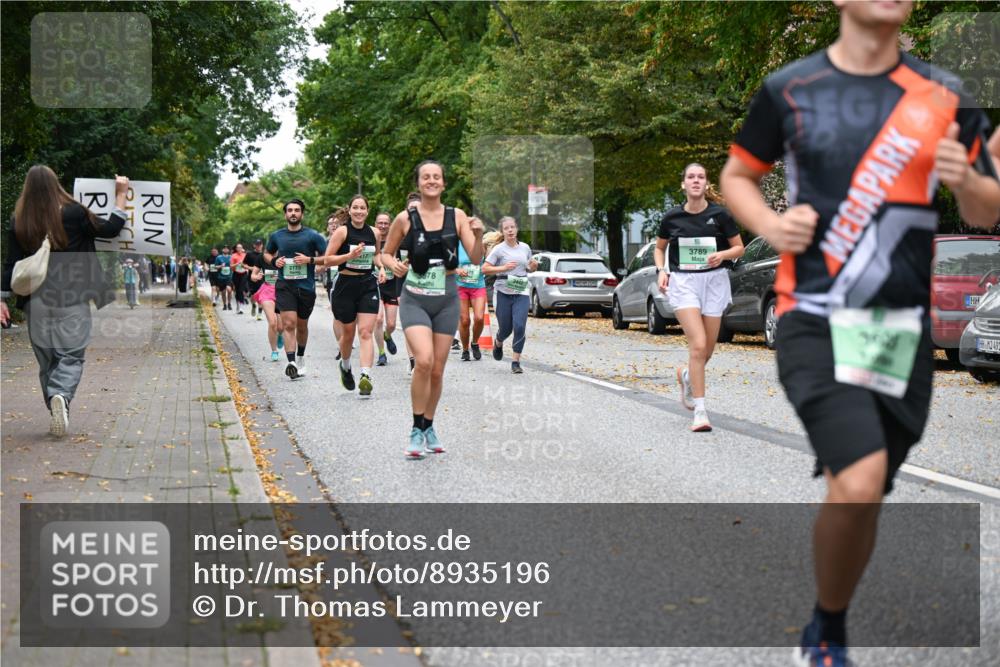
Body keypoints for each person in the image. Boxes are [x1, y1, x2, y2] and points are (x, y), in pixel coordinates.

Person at [718, 2, 1000, 665]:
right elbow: (737, 175)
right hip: (814, 315)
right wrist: (771, 224)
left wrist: (967, 180)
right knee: (861, 476)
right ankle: (827, 635)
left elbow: (988, 207)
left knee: (865, 490)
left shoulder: (944, 93)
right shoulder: (791, 88)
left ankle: (827, 615)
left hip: (901, 329)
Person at [0, 167, 130, 437]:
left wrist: (2, 299)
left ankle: (56, 403)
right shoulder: (74, 213)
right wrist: (121, 194)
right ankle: (60, 395)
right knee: (71, 355)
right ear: (55, 184)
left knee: (47, 359)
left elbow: (11, 264)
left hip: (36, 300)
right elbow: (111, 229)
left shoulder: (19, 220)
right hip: (73, 296)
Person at [380, 160, 484, 458]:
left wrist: (478, 235)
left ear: (443, 183)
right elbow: (385, 254)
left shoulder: (457, 216)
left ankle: (428, 425)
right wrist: (393, 264)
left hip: (447, 298)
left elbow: (476, 258)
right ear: (419, 182)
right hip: (415, 298)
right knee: (423, 361)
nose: (431, 180)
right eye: (426, 177)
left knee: (437, 370)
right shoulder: (405, 218)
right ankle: (415, 429)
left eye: (436, 176)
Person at [655, 163, 744, 432]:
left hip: (714, 281)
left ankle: (686, 374)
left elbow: (739, 248)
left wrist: (722, 255)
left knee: (707, 350)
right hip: (684, 282)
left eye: (701, 177)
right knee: (698, 345)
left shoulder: (720, 215)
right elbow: (659, 249)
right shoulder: (672, 217)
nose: (696, 180)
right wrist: (661, 270)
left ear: (706, 184)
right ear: (683, 184)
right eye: (691, 177)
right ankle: (700, 412)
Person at [325, 194, 385, 397]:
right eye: (355, 208)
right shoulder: (342, 232)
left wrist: (381, 267)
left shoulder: (374, 232)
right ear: (349, 210)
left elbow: (376, 254)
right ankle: (345, 366)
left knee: (366, 332)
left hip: (367, 284)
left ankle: (365, 375)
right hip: (345, 285)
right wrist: (349, 256)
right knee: (348, 334)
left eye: (362, 208)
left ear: (367, 211)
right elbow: (328, 260)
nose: (359, 211)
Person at [264, 198, 328, 380]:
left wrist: (312, 261)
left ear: (302, 214)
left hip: (306, 287)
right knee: (288, 324)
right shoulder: (277, 236)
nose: (293, 213)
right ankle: (291, 363)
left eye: (297, 210)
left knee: (302, 325)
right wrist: (274, 261)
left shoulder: (313, 236)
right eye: (290, 210)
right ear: (285, 214)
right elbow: (267, 253)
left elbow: (327, 256)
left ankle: (300, 357)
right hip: (285, 286)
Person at [483, 216, 537, 374]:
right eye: (506, 228)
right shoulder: (498, 249)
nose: (510, 230)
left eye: (512, 227)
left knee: (519, 326)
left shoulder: (525, 248)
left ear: (517, 229)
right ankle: (498, 342)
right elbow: (485, 269)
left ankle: (515, 362)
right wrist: (503, 268)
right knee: (505, 329)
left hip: (521, 291)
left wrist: (533, 266)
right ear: (503, 231)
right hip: (503, 292)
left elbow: (529, 268)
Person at [456, 220, 488, 361]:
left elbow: (486, 260)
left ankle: (474, 343)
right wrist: (457, 270)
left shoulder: (480, 243)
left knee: (479, 318)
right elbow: (448, 262)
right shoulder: (456, 244)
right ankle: (465, 349)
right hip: (460, 286)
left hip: (478, 285)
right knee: (464, 320)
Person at [373, 211, 400, 366]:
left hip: (392, 286)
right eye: (380, 223)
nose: (383, 226)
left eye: (386, 223)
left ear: (390, 225)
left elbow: (404, 261)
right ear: (375, 224)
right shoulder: (370, 241)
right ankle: (382, 353)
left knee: (391, 324)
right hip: (374, 286)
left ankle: (387, 335)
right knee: (378, 319)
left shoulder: (395, 242)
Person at [250, 262, 283, 361]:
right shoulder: (262, 258)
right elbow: (253, 276)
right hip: (267, 291)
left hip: (283, 292)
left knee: (281, 327)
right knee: (272, 323)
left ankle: (280, 334)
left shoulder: (285, 255)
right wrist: (256, 277)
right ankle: (274, 351)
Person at [244, 239, 266, 320]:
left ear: (262, 245)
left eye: (260, 244)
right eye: (257, 244)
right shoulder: (249, 254)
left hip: (263, 278)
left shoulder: (265, 255)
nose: (259, 246)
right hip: (252, 278)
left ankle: (259, 314)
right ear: (254, 245)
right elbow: (243, 264)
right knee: (253, 295)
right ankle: (253, 305)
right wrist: (251, 268)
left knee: (261, 295)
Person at [230, 243, 249, 314]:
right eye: (238, 247)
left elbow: (248, 264)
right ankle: (238, 306)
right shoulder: (233, 256)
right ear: (236, 249)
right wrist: (237, 264)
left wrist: (244, 266)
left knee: (241, 290)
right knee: (237, 291)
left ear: (242, 248)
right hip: (236, 274)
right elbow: (231, 266)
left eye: (240, 247)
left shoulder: (245, 255)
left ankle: (241, 307)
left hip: (243, 274)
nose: (239, 249)